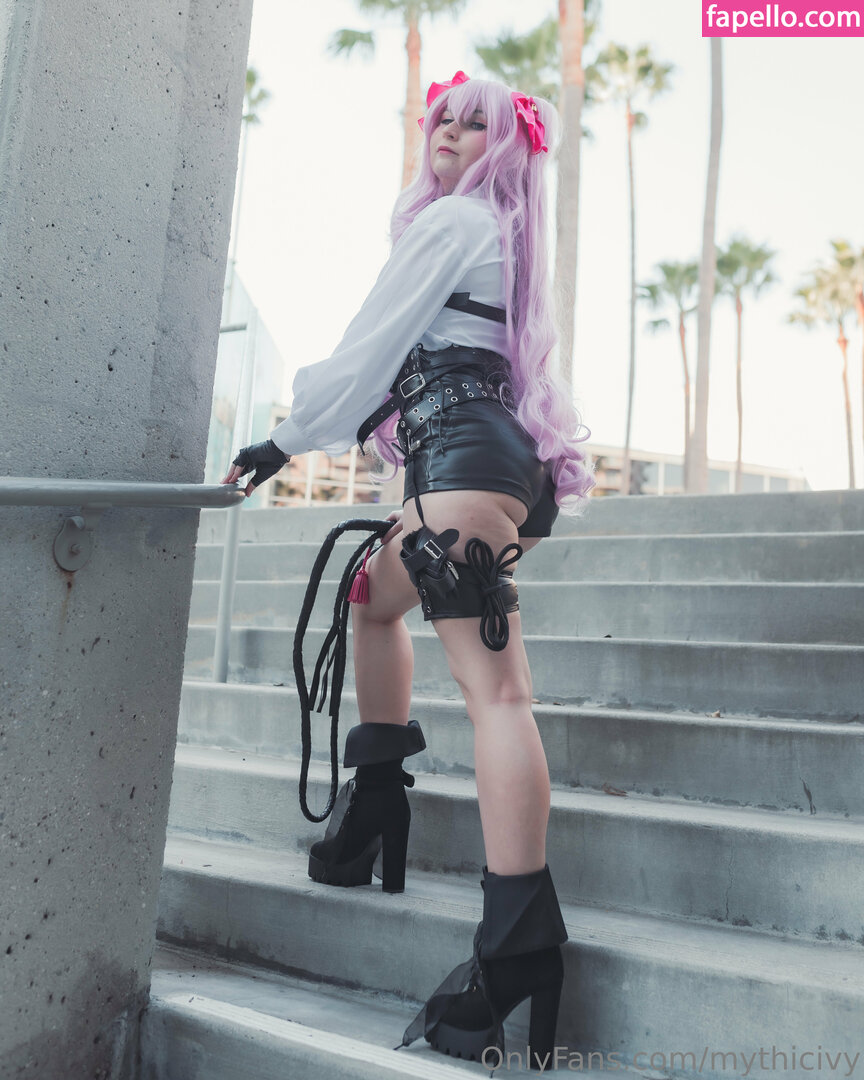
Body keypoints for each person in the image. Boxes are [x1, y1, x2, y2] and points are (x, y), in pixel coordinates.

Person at [222, 72, 595, 1070]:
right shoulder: (505, 237)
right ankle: (376, 801)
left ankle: (518, 939)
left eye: (476, 125)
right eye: (443, 119)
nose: (452, 133)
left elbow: (371, 346)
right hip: (488, 468)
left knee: (499, 696)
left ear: (502, 148)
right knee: (372, 593)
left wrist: (283, 440)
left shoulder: (455, 224)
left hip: (464, 465)